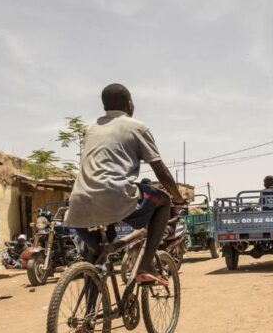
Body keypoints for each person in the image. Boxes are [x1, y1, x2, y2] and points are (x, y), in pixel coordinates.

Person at [65, 83, 185, 289]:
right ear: (130, 104)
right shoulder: (137, 127)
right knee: (163, 201)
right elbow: (161, 171)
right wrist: (179, 198)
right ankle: (145, 265)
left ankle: (89, 315)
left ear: (104, 107)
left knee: (98, 256)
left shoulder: (90, 128)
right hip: (116, 197)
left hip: (78, 204)